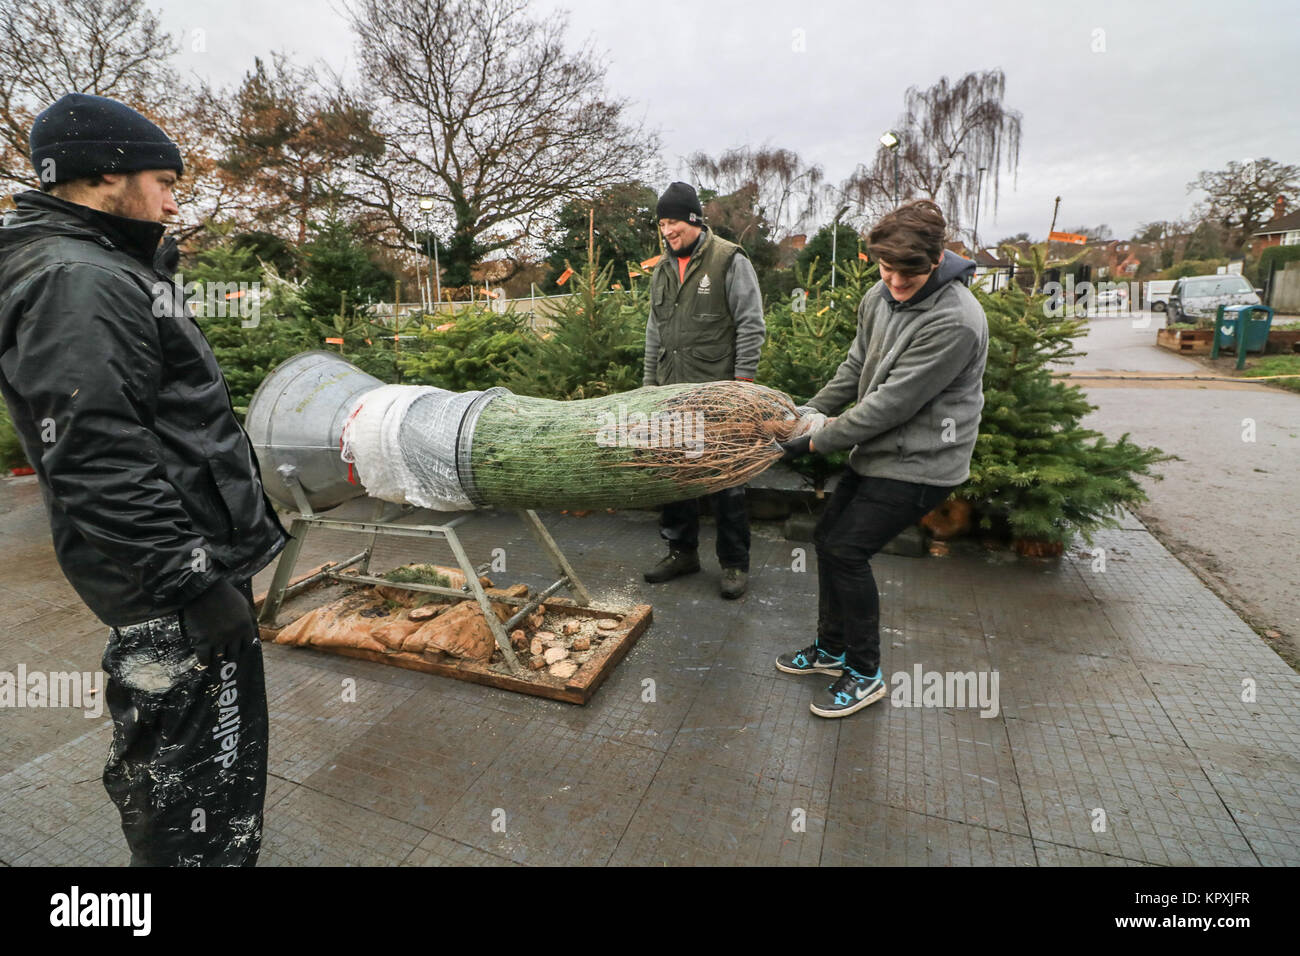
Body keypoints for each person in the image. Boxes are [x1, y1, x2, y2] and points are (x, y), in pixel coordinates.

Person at [0, 93, 289, 864]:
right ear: (103, 177)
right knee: (187, 787)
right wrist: (192, 583)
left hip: (181, 576)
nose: (172, 198)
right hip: (169, 591)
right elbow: (96, 456)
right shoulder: (79, 280)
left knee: (210, 779)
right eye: (162, 179)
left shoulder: (107, 266)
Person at [775, 200, 988, 718]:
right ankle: (831, 650)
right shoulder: (878, 294)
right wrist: (807, 413)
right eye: (886, 268)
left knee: (847, 550)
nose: (894, 281)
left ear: (937, 260)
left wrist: (813, 443)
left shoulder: (956, 321)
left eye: (907, 272)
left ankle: (865, 673)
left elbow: (889, 406)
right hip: (877, 453)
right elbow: (856, 365)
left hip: (923, 464)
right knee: (828, 540)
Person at [641, 182, 765, 599]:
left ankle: (734, 564)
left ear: (694, 220)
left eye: (672, 221)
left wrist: (742, 385)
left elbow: (751, 322)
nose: (666, 230)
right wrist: (648, 389)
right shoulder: (660, 268)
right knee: (675, 477)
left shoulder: (728, 259)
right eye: (661, 222)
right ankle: (682, 553)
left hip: (719, 393)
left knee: (726, 480)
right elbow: (654, 332)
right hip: (671, 392)